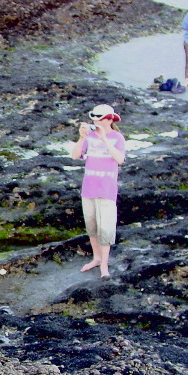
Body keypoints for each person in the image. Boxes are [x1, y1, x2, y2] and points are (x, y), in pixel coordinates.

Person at [70, 104, 126, 279]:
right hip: (89, 188)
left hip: (107, 190)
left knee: (106, 228)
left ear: (109, 119)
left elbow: (120, 159)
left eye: (100, 119)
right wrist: (82, 137)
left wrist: (105, 140)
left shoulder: (117, 137)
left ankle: (104, 265)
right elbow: (74, 156)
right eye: (94, 119)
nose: (96, 122)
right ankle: (96, 258)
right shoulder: (89, 137)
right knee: (92, 226)